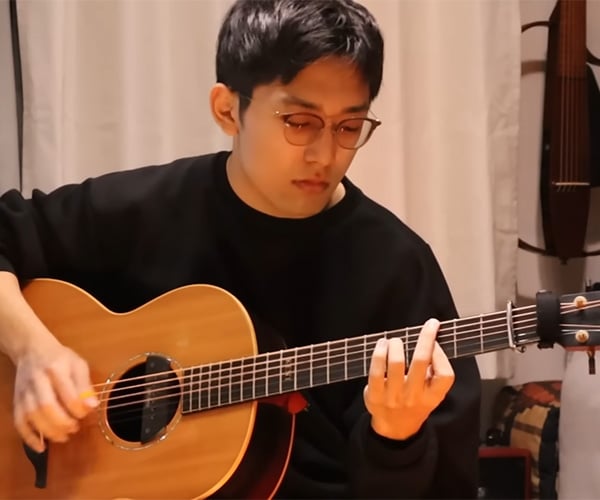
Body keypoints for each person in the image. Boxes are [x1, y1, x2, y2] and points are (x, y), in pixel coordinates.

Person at [0, 0, 481, 497]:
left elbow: (443, 485)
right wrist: (32, 350)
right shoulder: (147, 208)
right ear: (228, 110)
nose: (325, 154)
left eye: (349, 127)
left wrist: (397, 437)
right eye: (299, 122)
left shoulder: (397, 267)